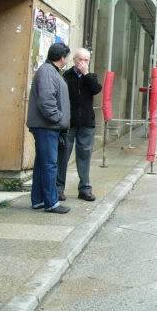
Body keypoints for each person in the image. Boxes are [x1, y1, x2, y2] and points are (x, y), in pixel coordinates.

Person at [27, 42, 72, 214]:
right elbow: (47, 101)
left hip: (47, 126)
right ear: (62, 58)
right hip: (47, 127)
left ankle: (38, 200)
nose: (66, 60)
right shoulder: (47, 72)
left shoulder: (49, 71)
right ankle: (51, 202)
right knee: (49, 165)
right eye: (66, 57)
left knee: (42, 164)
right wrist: (58, 119)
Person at [56, 48, 102, 202]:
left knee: (84, 156)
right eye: (80, 59)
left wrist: (86, 73)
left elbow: (96, 89)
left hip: (86, 123)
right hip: (69, 123)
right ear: (74, 60)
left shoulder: (91, 77)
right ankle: (58, 189)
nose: (82, 62)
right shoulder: (66, 76)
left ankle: (84, 189)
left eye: (86, 60)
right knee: (63, 156)